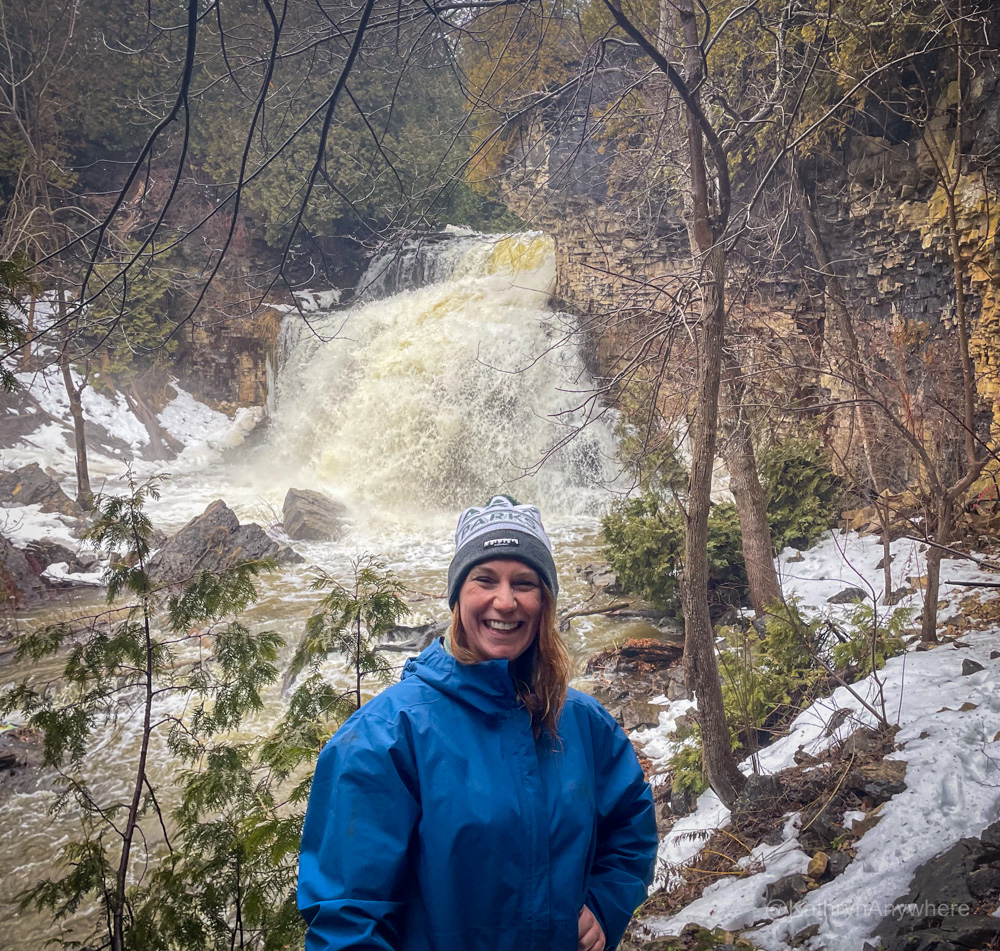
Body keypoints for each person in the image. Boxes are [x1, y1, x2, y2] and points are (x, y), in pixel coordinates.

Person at [297, 495, 658, 951]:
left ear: (544, 602)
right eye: (484, 579)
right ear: (458, 596)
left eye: (524, 583)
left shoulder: (583, 724)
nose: (504, 602)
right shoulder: (384, 737)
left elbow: (630, 827)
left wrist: (605, 904)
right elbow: (347, 915)